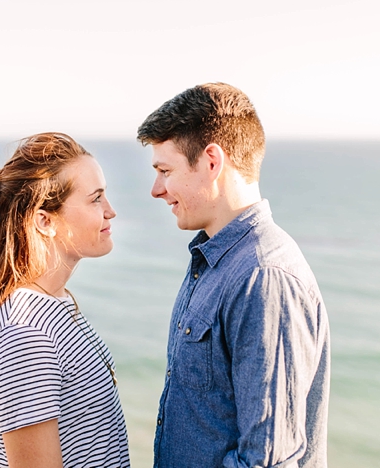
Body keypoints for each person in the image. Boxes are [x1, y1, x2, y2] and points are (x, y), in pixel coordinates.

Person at [137, 83, 330, 468]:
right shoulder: (213, 261)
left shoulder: (264, 277)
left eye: (165, 170)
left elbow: (267, 459)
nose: (156, 189)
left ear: (212, 161)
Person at [0, 132, 130, 468]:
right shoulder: (25, 331)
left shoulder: (54, 305)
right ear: (44, 221)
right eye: (96, 199)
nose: (111, 211)